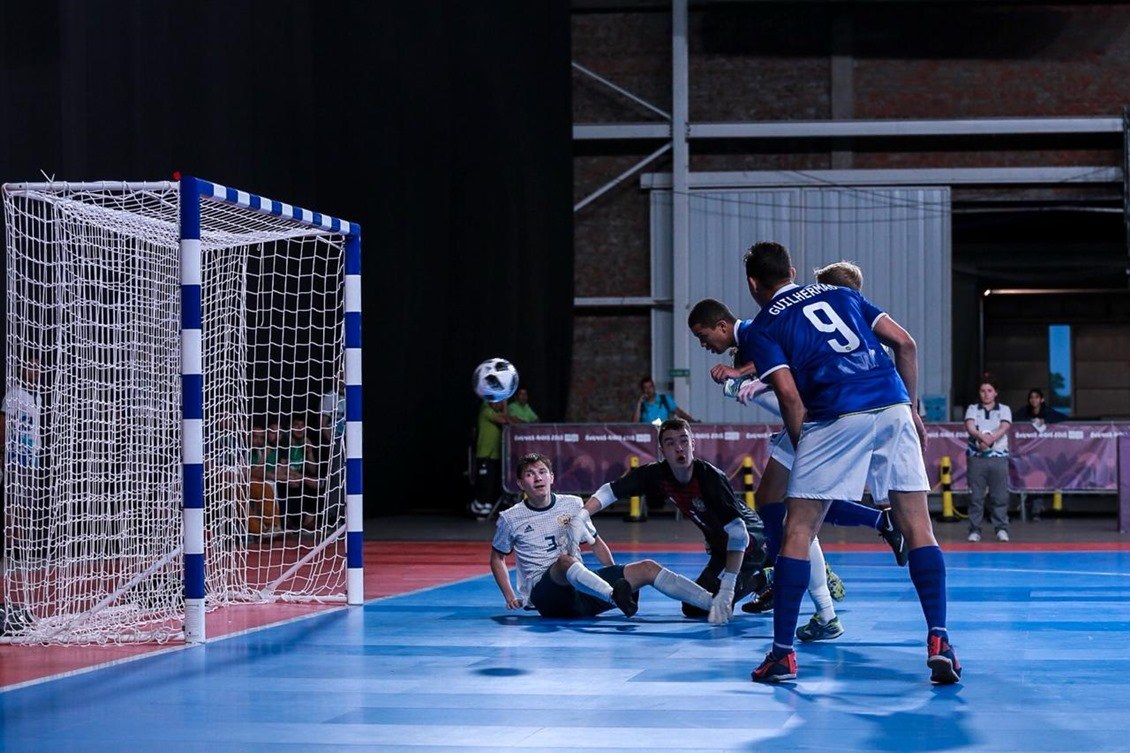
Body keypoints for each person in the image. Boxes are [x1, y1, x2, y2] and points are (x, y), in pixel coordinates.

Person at [741, 240, 959, 685]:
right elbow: (906, 344)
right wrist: (913, 411)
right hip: (893, 405)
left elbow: (787, 394)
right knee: (919, 527)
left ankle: (783, 654)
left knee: (798, 529)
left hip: (836, 412)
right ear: (793, 270)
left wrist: (807, 449)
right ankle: (939, 640)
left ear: (752, 284)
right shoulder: (842, 294)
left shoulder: (763, 326)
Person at [687, 295, 909, 642]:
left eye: (704, 337)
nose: (704, 345)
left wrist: (740, 375)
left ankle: (799, 588)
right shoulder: (768, 332)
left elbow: (783, 377)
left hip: (812, 421)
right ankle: (820, 582)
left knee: (795, 516)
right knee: (781, 506)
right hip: (812, 419)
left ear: (722, 325)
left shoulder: (764, 328)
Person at [570, 418, 769, 626]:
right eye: (671, 443)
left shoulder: (710, 478)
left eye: (683, 441)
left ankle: (765, 577)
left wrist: (728, 589)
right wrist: (582, 515)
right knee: (693, 608)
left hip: (750, 542)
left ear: (693, 444)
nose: (679, 448)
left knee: (723, 599)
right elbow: (611, 490)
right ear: (662, 450)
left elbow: (739, 533)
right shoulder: (657, 474)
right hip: (722, 546)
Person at [490, 452, 721, 620]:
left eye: (542, 472)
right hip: (546, 597)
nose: (537, 478)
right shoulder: (510, 517)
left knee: (647, 568)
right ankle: (613, 597)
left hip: (582, 591)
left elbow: (596, 543)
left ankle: (713, 603)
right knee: (564, 562)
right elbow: (497, 558)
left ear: (552, 477)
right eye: (530, 475)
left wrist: (618, 577)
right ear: (521, 484)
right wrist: (510, 595)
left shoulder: (572, 504)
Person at [0, 355, 43, 561]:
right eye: (30, 367)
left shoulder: (39, 397)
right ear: (22, 370)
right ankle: (10, 545)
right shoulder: (13, 395)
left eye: (37, 368)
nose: (34, 371)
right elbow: (3, 421)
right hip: (15, 455)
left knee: (27, 502)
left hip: (32, 457)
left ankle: (22, 545)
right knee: (13, 501)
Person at [964, 378, 1012, 542]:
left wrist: (990, 439)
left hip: (998, 457)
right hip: (977, 458)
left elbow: (1004, 427)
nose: (986, 394)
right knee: (975, 497)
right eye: (983, 390)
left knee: (999, 496)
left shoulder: (1004, 409)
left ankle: (1001, 528)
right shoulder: (972, 409)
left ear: (995, 393)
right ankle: (974, 530)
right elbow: (970, 427)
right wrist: (981, 438)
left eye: (989, 390)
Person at [1013, 387, 1067, 520]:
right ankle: (1027, 504)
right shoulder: (1024, 412)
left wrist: (1046, 422)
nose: (1033, 400)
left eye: (1036, 397)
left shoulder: (1048, 412)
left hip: (1044, 454)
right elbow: (1012, 420)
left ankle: (1036, 509)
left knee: (1038, 480)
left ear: (1041, 399)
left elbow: (1064, 419)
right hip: (1025, 453)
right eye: (1031, 397)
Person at [472, 398, 513, 520]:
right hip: (484, 454)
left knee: (491, 484)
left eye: (501, 402)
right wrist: (505, 403)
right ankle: (476, 509)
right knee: (484, 483)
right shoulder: (486, 411)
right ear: (490, 402)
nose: (500, 404)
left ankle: (485, 509)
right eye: (498, 402)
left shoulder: (495, 413)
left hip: (494, 455)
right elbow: (504, 420)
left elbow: (507, 420)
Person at [632, 376, 696, 424]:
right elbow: (634, 423)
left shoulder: (664, 399)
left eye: (650, 386)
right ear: (642, 390)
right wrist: (639, 403)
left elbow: (679, 412)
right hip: (648, 436)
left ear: (654, 387)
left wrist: (693, 421)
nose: (648, 390)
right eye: (645, 387)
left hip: (664, 433)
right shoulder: (641, 405)